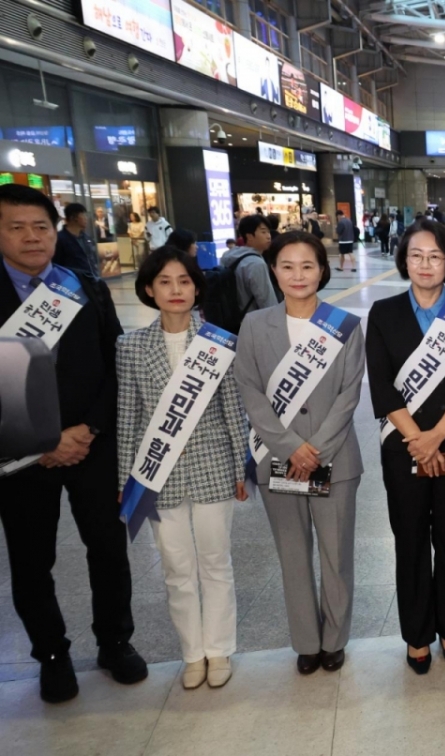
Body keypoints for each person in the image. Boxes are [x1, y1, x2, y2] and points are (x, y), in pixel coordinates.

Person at [0, 185, 146, 703]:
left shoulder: (82, 285)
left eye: (41, 226)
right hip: (20, 455)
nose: (31, 237)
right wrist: (42, 440)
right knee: (31, 560)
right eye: (16, 227)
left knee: (107, 548)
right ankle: (52, 655)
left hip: (91, 444)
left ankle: (115, 641)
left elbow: (115, 361)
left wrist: (90, 428)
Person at [116, 246, 248, 690]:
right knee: (176, 568)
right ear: (148, 290)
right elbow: (128, 418)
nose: (176, 290)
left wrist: (240, 468)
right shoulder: (130, 347)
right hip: (156, 473)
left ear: (197, 288)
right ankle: (192, 653)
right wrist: (124, 480)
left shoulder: (218, 341)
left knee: (216, 562)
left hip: (212, 465)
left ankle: (219, 649)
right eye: (165, 282)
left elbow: (233, 411)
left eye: (185, 281)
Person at [233, 231, 365, 675]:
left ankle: (334, 640)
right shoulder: (255, 325)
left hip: (335, 459)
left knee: (336, 556)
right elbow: (250, 390)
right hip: (278, 460)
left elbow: (349, 394)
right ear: (273, 270)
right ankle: (307, 642)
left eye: (307, 266)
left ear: (322, 270)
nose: (298, 275)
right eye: (287, 266)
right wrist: (290, 447)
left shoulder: (344, 325)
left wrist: (317, 449)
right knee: (293, 555)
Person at [366, 219, 445, 674]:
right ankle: (417, 635)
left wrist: (436, 436)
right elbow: (381, 385)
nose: (425, 264)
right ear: (404, 260)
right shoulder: (384, 313)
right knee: (411, 540)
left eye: (435, 256)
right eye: (416, 255)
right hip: (403, 448)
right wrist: (417, 439)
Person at [221, 214, 279, 315]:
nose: (268, 236)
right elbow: (266, 300)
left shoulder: (228, 255)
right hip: (253, 319)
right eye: (263, 232)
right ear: (249, 236)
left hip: (231, 316)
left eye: (268, 232)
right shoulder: (256, 263)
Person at [54, 202, 101, 279]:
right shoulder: (59, 239)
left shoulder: (86, 238)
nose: (86, 218)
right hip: (73, 281)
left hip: (91, 280)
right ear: (73, 218)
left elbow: (92, 260)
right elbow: (57, 264)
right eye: (83, 215)